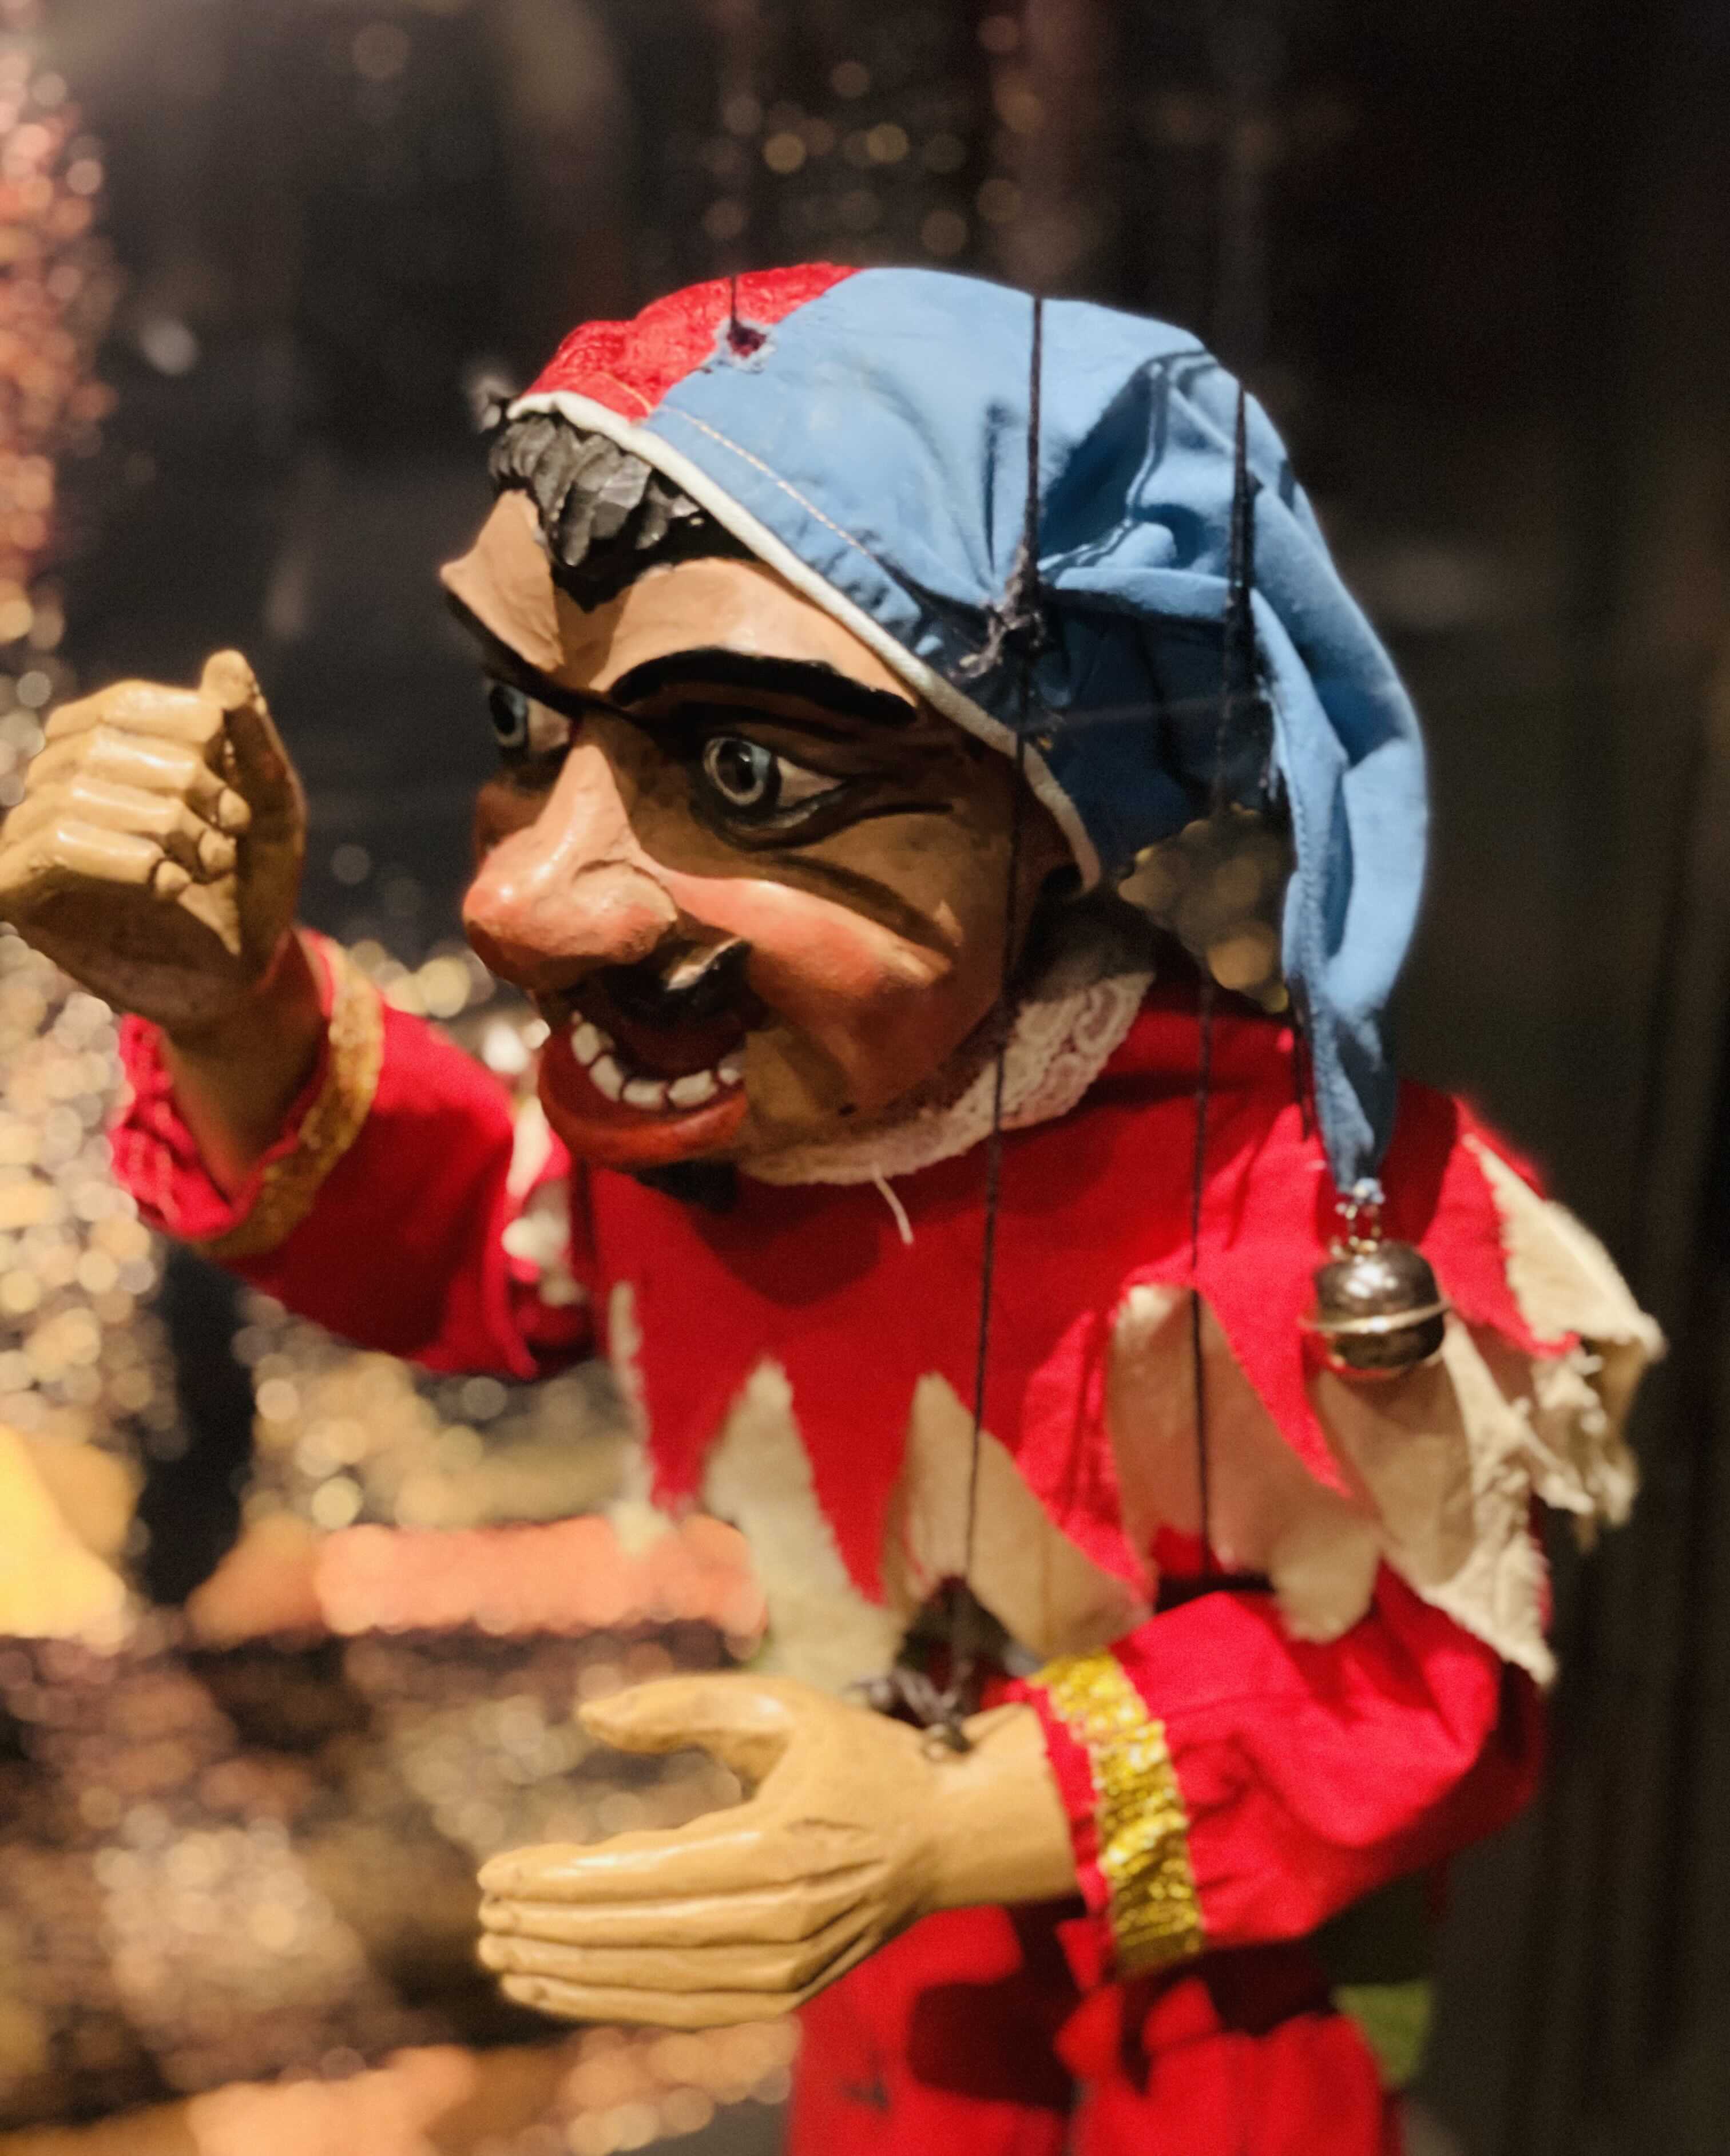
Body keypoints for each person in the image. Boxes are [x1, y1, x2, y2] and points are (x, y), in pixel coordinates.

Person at [0, 266, 1658, 2155]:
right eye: (527, 727)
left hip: (1212, 2027)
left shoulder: (1299, 1220)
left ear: (1042, 819)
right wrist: (233, 1013)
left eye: (747, 773)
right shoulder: (733, 1136)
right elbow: (484, 1246)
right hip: (886, 2016)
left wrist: (962, 1817)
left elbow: (1420, 1677)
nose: (521, 901)